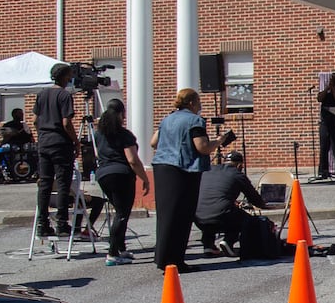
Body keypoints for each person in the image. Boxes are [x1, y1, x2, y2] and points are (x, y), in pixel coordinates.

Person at [151, 87, 228, 273]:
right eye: (199, 102)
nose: (200, 106)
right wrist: (218, 141)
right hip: (183, 170)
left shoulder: (167, 118)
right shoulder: (195, 120)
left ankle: (162, 257)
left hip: (161, 167)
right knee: (181, 216)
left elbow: (154, 142)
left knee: (166, 216)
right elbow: (202, 147)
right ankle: (176, 261)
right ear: (192, 103)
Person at [90, 97, 150, 266]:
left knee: (119, 212)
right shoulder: (124, 135)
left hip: (103, 174)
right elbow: (132, 159)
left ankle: (121, 247)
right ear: (121, 114)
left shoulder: (98, 135)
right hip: (121, 174)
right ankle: (112, 253)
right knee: (122, 214)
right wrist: (144, 178)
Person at [33, 62, 79, 238]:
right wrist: (75, 142)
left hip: (44, 142)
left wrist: (43, 136)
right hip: (60, 143)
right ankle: (61, 223)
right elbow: (66, 123)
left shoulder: (42, 94)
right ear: (64, 77)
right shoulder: (64, 95)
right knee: (62, 183)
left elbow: (35, 120)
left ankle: (42, 223)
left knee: (44, 184)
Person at [195, 150, 269, 256]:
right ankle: (228, 241)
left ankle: (208, 245)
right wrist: (264, 205)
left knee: (211, 212)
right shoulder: (237, 175)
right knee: (245, 219)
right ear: (239, 165)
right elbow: (254, 198)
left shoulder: (209, 170)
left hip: (198, 216)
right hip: (220, 214)